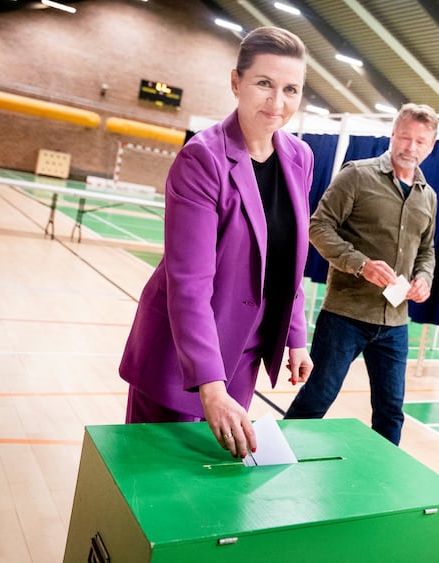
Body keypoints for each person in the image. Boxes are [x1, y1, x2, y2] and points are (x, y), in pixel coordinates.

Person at [119, 26, 314, 458]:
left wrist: (295, 336)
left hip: (241, 359)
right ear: (236, 83)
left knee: (211, 503)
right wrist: (210, 385)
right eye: (264, 83)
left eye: (291, 89)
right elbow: (189, 283)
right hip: (178, 358)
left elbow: (288, 260)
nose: (277, 102)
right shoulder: (202, 159)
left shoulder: (300, 158)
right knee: (153, 498)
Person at [284, 103, 438, 445]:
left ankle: (382, 488)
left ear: (431, 146)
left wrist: (424, 277)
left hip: (396, 324)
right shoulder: (357, 175)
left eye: (420, 142)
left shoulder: (428, 197)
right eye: (405, 137)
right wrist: (360, 264)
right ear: (393, 134)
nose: (411, 147)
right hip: (345, 318)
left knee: (391, 410)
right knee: (317, 399)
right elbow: (318, 226)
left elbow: (426, 250)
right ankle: (270, 459)